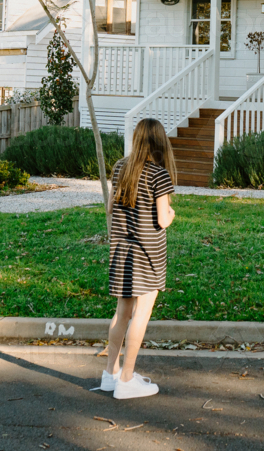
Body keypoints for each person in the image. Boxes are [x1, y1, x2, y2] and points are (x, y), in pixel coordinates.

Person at [99, 117, 177, 399]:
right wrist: (171, 213)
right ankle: (128, 380)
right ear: (159, 141)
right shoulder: (159, 174)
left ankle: (111, 373)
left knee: (122, 313)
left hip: (121, 249)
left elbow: (110, 208)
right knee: (141, 314)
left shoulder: (120, 167)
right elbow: (162, 220)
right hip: (147, 253)